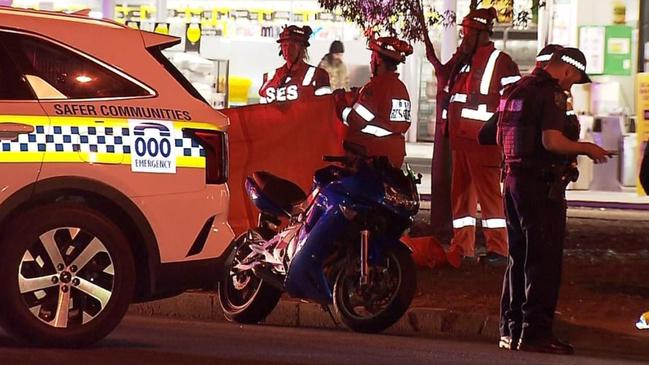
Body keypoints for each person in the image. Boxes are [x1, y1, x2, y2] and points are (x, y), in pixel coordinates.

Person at [497, 47, 611, 354]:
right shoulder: (551, 95)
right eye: (573, 80)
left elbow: (490, 135)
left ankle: (511, 330)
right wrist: (585, 147)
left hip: (511, 183)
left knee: (517, 259)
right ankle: (536, 334)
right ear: (567, 71)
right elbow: (551, 140)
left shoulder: (514, 90)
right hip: (540, 186)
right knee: (543, 262)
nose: (570, 87)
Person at [444, 7, 521, 268]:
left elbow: (513, 101)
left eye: (467, 33)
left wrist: (498, 132)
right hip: (462, 142)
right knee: (462, 198)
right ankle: (462, 246)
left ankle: (499, 249)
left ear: (480, 33)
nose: (463, 37)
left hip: (484, 143)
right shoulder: (464, 62)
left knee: (490, 198)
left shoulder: (501, 61)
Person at [334, 35, 413, 168]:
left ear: (378, 60)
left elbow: (354, 120)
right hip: (395, 153)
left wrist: (340, 101)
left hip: (372, 154)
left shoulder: (376, 87)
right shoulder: (400, 87)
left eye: (372, 57)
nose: (371, 62)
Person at [259, 25, 331, 104]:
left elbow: (325, 108)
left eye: (293, 45)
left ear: (303, 48)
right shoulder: (269, 78)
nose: (288, 49)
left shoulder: (318, 76)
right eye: (285, 45)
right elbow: (262, 111)